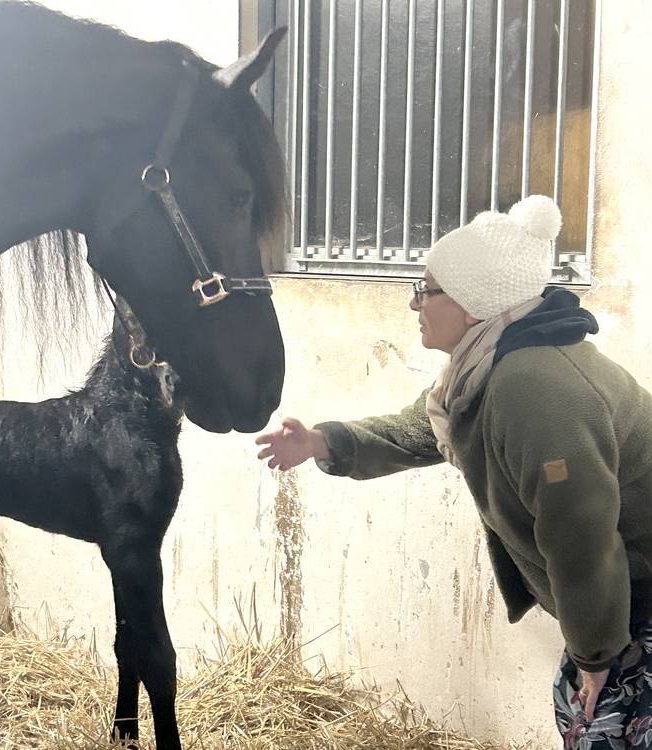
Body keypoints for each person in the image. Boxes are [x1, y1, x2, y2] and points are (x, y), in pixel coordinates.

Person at [256, 195, 652, 749]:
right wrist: (326, 441)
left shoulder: (532, 384)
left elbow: (579, 537)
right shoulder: (486, 367)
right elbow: (423, 427)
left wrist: (595, 653)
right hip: (618, 604)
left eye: (426, 290)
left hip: (635, 606)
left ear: (471, 304)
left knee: (600, 722)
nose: (415, 303)